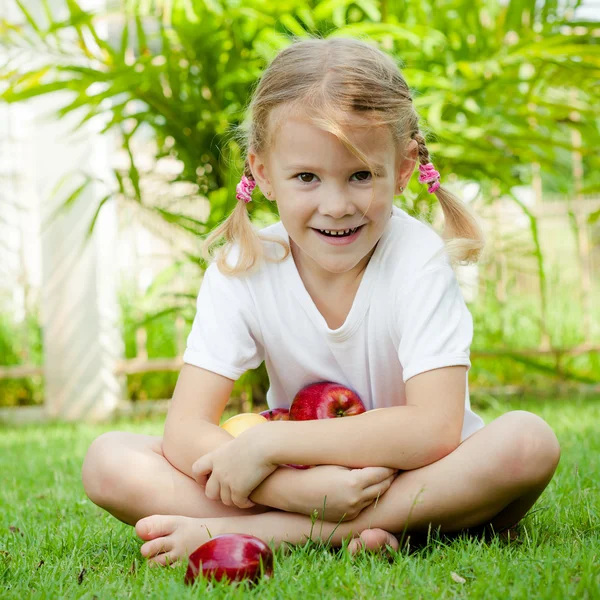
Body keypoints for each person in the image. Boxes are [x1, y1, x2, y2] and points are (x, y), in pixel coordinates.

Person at [81, 36, 561, 566]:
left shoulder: (417, 261)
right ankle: (376, 527)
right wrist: (296, 492)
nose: (336, 206)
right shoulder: (245, 267)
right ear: (262, 174)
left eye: (361, 176)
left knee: (526, 442)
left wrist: (270, 448)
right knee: (108, 461)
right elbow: (184, 430)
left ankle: (280, 533)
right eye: (307, 177)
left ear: (402, 170)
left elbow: (435, 428)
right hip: (307, 482)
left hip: (423, 471)